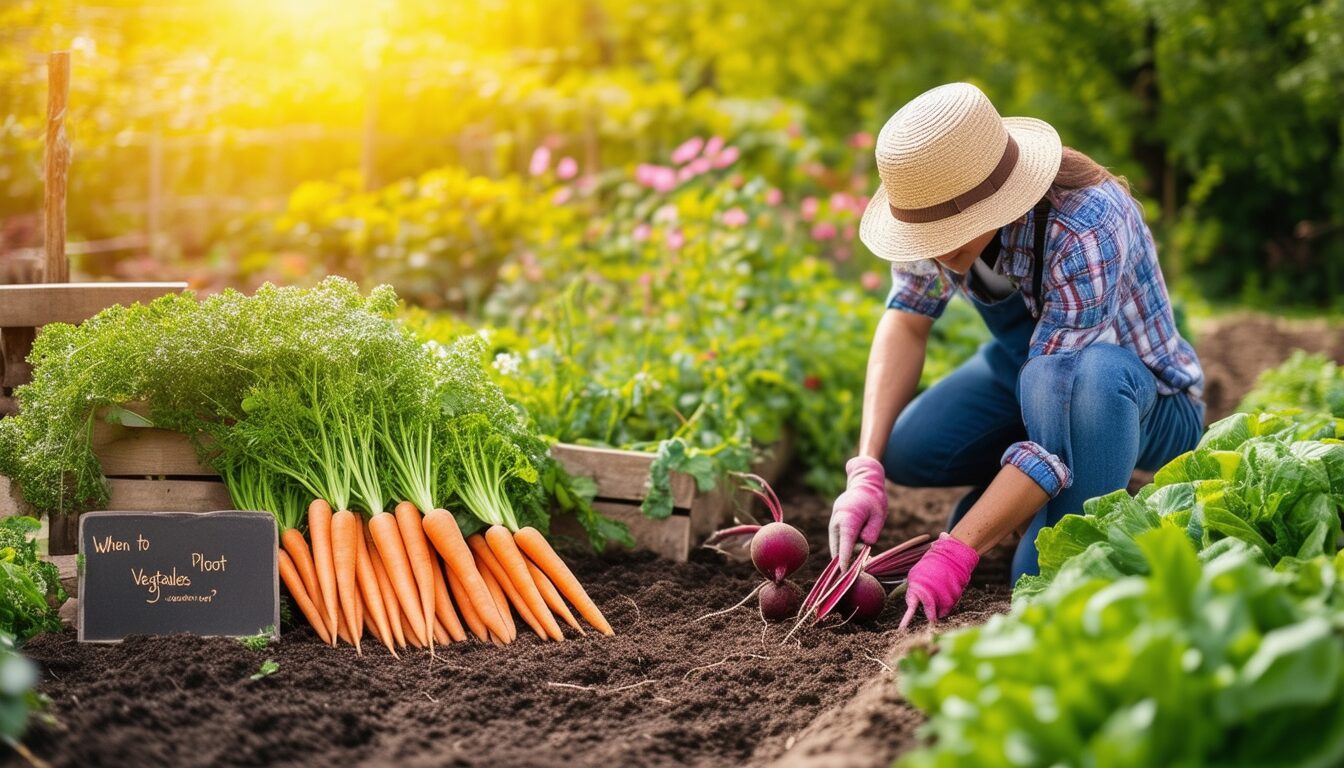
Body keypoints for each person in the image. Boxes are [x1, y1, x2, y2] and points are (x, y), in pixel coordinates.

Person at [828, 82, 1205, 629]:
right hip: (1032, 373)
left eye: (948, 230)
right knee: (908, 449)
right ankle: (1018, 496)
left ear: (996, 196)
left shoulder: (1085, 223)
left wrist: (960, 546)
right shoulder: (928, 215)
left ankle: (1093, 484)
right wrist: (865, 469)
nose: (935, 249)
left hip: (1137, 400)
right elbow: (906, 323)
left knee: (1035, 577)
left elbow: (1056, 415)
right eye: (925, 233)